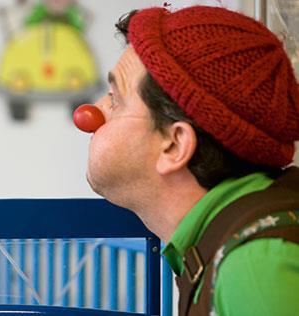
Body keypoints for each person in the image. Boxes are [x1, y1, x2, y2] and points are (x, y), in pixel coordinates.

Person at [75, 6, 299, 316]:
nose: (92, 113)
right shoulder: (224, 245)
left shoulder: (255, 267)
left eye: (115, 98)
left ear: (175, 145)